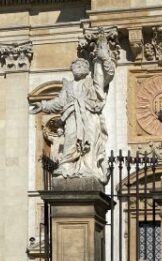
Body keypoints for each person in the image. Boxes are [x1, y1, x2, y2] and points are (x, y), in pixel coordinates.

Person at [29, 40, 115, 182]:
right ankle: (67, 166)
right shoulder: (68, 86)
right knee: (70, 139)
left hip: (89, 116)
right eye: (75, 65)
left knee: (90, 143)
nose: (78, 68)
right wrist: (43, 106)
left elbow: (106, 76)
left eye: (82, 65)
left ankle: (88, 168)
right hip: (72, 117)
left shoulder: (92, 83)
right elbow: (59, 102)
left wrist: (104, 58)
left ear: (87, 70)